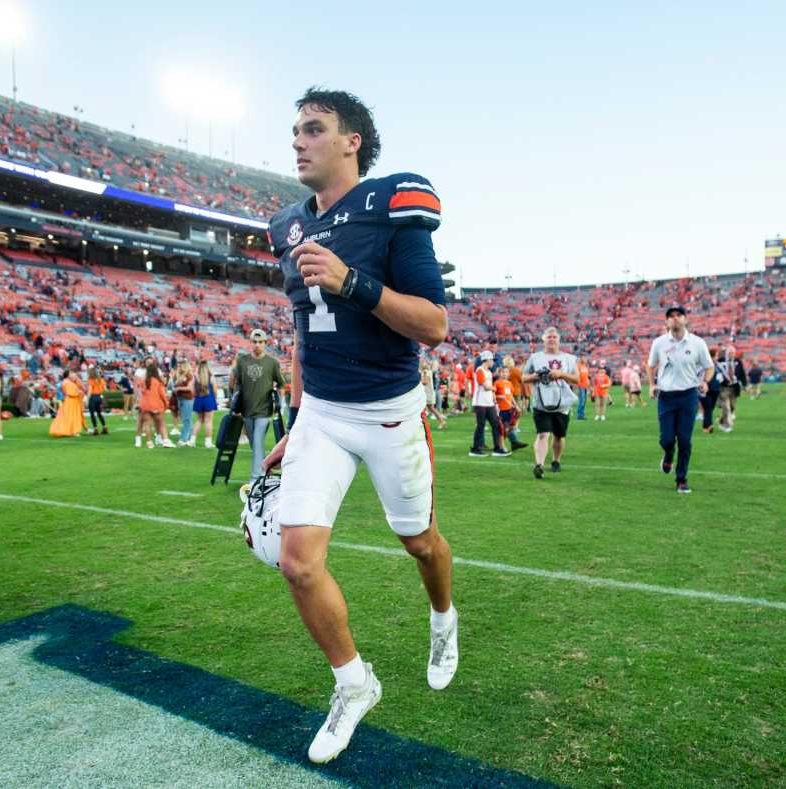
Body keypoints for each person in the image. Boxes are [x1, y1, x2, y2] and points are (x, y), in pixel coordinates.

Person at [262, 87, 456, 764]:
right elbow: (300, 335)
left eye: (313, 128)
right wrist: (297, 417)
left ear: (352, 142)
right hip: (322, 414)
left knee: (421, 543)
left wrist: (355, 284)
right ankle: (353, 681)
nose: (298, 140)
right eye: (294, 129)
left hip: (389, 412)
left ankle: (442, 617)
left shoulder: (392, 202)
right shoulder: (286, 225)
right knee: (297, 561)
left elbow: (435, 324)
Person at [646, 306, 713, 493]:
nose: (675, 319)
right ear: (666, 322)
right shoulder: (659, 343)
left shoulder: (697, 343)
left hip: (688, 396)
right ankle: (668, 454)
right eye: (671, 317)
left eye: (678, 315)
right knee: (667, 439)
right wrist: (652, 385)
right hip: (666, 397)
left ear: (685, 319)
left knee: (685, 439)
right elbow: (650, 366)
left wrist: (705, 382)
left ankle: (681, 479)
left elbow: (709, 366)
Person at [525, 327, 580, 479]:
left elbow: (577, 379)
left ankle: (556, 460)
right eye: (548, 337)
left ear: (559, 340)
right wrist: (537, 375)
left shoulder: (569, 358)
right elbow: (524, 378)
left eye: (554, 337)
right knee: (543, 434)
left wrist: (561, 374)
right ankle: (539, 465)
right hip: (541, 403)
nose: (551, 339)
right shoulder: (535, 357)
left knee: (559, 436)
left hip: (562, 403)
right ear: (543, 339)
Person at [230, 329, 285, 479]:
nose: (257, 345)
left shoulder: (272, 362)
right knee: (255, 445)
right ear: (250, 343)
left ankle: (256, 478)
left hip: (264, 411)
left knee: (258, 441)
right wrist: (234, 403)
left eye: (260, 342)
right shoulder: (242, 361)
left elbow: (281, 384)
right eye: (254, 342)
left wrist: (281, 404)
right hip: (246, 411)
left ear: (265, 343)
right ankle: (267, 468)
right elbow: (236, 384)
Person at [469, 351, 507, 456]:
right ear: (487, 360)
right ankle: (475, 449)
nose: (493, 363)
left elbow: (488, 387)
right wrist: (494, 388)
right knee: (480, 426)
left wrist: (493, 398)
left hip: (489, 403)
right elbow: (485, 387)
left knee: (496, 424)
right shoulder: (479, 370)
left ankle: (497, 448)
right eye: (492, 360)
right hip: (480, 402)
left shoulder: (489, 372)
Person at [137, 361, 173, 448]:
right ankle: (165, 441)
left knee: (147, 424)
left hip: (145, 405)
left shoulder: (143, 381)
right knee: (161, 423)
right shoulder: (158, 382)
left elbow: (140, 389)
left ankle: (149, 443)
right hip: (157, 405)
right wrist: (166, 404)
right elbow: (162, 394)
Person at [493, 364, 526, 450]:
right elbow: (493, 395)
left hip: (509, 409)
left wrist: (516, 406)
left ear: (509, 374)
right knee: (504, 428)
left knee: (510, 428)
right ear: (499, 373)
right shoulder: (497, 383)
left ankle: (513, 443)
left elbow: (510, 395)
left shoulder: (509, 383)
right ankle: (501, 446)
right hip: (501, 410)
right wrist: (500, 397)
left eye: (506, 372)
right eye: (503, 372)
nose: (504, 374)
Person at [49, 369, 87, 438]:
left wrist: (77, 381)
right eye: (71, 373)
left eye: (73, 373)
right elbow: (71, 393)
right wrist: (79, 392)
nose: (73, 374)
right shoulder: (66, 382)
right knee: (72, 416)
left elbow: (81, 388)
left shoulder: (70, 382)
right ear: (67, 375)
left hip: (73, 401)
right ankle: (74, 431)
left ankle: (73, 430)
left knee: (73, 416)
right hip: (70, 401)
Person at [716, 346, 746, 432]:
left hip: (734, 387)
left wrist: (744, 385)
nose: (732, 355)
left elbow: (742, 373)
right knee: (726, 407)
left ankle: (721, 420)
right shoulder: (721, 361)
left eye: (733, 353)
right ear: (727, 353)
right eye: (730, 353)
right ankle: (727, 425)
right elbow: (716, 370)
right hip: (723, 387)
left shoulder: (738, 362)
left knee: (732, 407)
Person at [191, 359, 218, 448]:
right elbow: (214, 390)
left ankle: (192, 440)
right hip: (208, 399)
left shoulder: (195, 376)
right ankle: (208, 442)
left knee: (199, 420)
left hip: (198, 399)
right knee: (208, 421)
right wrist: (215, 398)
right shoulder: (211, 376)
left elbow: (193, 390)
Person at [698, 345, 723, 435]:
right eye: (716, 356)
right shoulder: (705, 365)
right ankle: (708, 427)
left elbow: (721, 376)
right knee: (708, 408)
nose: (717, 357)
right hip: (705, 390)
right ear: (711, 356)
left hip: (715, 390)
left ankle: (706, 424)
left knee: (710, 409)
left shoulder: (718, 365)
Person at [172, 360, 196, 446]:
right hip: (180, 398)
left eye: (180, 366)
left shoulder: (189, 375)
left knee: (186, 419)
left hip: (187, 399)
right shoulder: (181, 375)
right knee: (186, 419)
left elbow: (190, 388)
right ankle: (190, 437)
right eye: (178, 366)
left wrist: (178, 389)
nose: (179, 367)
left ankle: (183, 439)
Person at [86, 364, 108, 435]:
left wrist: (87, 399)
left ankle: (95, 428)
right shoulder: (101, 380)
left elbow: (89, 390)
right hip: (100, 397)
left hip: (93, 397)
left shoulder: (90, 380)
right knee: (99, 413)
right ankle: (104, 427)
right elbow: (105, 389)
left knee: (92, 413)